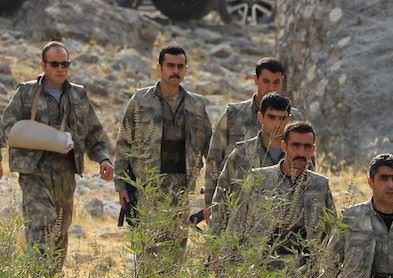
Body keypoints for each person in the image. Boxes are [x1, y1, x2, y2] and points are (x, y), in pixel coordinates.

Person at [0, 41, 114, 274]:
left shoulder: (78, 95)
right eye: (54, 64)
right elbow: (8, 127)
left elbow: (93, 132)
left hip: (65, 172)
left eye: (65, 64)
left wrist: (104, 159)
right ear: (43, 65)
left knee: (60, 229)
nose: (60, 68)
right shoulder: (26, 92)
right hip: (34, 171)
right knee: (42, 223)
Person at [113, 45, 213, 258]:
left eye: (180, 66)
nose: (175, 71)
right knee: (148, 253)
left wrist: (214, 188)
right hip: (147, 188)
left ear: (186, 69)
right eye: (170, 65)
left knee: (176, 251)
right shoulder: (140, 100)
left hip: (181, 187)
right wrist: (121, 185)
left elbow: (210, 149)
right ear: (159, 67)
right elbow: (124, 143)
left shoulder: (196, 105)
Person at [219, 121, 336, 274]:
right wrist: (227, 268)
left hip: (304, 274)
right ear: (284, 146)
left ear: (313, 149)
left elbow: (333, 236)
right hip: (259, 271)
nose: (301, 152)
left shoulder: (320, 185)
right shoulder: (258, 179)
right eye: (295, 145)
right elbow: (236, 224)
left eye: (307, 147)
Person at [204, 57, 300, 215]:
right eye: (266, 81)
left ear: (282, 81)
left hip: (282, 203)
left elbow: (305, 158)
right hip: (238, 203)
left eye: (276, 82)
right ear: (256, 79)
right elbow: (214, 157)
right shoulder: (234, 114)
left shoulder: (293, 118)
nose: (271, 88)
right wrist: (209, 202)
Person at [208, 91, 294, 233]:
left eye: (282, 118)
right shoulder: (242, 154)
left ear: (289, 119)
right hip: (246, 237)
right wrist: (216, 238)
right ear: (260, 117)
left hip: (285, 239)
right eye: (271, 117)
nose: (277, 123)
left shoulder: (297, 155)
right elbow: (221, 198)